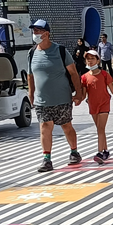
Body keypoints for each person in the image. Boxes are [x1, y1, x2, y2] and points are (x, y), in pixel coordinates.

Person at [26, 19, 84, 172]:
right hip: (41, 100)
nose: (35, 33)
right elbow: (30, 76)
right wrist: (30, 94)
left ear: (47, 34)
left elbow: (73, 73)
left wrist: (79, 93)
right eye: (34, 31)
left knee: (66, 125)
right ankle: (46, 158)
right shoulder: (32, 53)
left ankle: (74, 151)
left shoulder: (60, 51)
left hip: (62, 98)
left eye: (38, 31)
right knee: (45, 127)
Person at [79, 49, 113, 164]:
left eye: (92, 59)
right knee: (100, 129)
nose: (90, 61)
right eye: (88, 59)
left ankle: (100, 152)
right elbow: (83, 94)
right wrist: (75, 99)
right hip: (93, 105)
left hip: (104, 104)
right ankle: (105, 151)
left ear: (98, 60)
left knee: (100, 128)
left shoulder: (104, 74)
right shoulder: (84, 77)